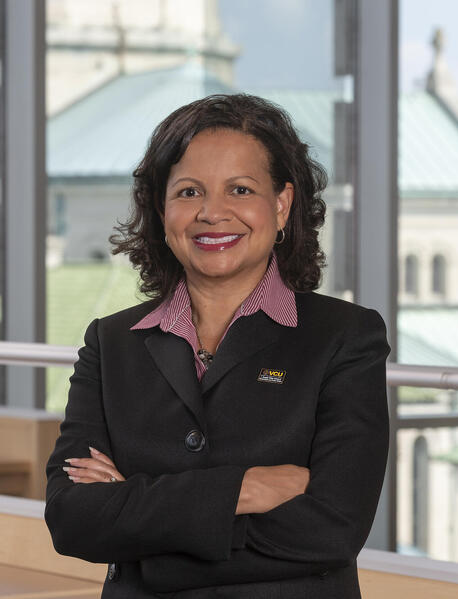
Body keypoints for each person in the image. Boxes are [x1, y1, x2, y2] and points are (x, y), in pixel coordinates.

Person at [44, 94, 390, 598]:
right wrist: (242, 490)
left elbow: (333, 529)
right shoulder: (111, 342)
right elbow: (72, 518)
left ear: (281, 204)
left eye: (240, 189)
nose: (212, 213)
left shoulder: (344, 338)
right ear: (162, 210)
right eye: (188, 192)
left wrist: (144, 544)